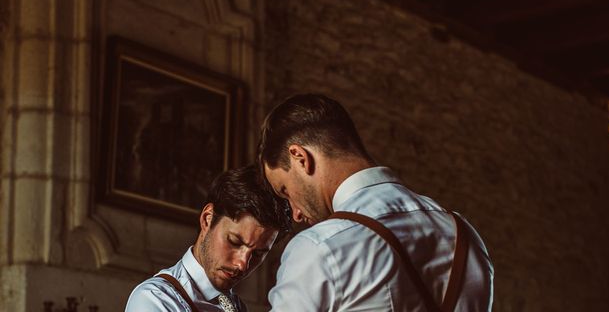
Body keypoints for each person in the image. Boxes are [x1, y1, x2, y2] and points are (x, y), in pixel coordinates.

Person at [259, 93, 494, 311]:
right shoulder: (464, 233)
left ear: (300, 158)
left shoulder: (320, 248)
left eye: (285, 190)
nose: (296, 213)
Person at [125, 165, 291, 312]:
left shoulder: (237, 307)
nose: (242, 264)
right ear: (207, 219)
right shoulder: (154, 300)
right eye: (234, 241)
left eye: (258, 253)